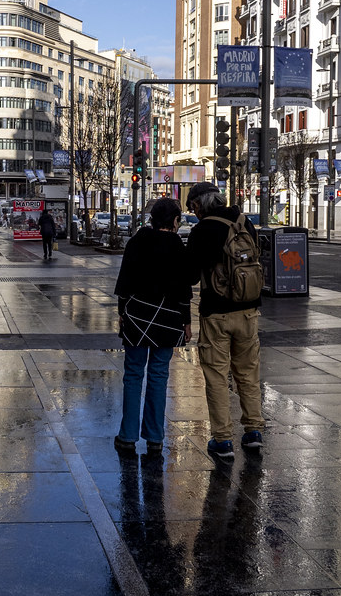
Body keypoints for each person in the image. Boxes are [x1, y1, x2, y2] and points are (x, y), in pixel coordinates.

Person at [184, 182, 264, 459]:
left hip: (216, 313)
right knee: (247, 373)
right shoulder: (245, 223)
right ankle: (253, 431)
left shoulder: (203, 230)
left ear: (198, 205)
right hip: (249, 311)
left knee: (217, 376)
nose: (192, 212)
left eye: (192, 207)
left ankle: (223, 439)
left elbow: (190, 275)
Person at [113, 197, 192, 455]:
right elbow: (184, 290)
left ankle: (127, 435)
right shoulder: (177, 247)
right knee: (159, 376)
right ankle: (155, 437)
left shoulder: (137, 241)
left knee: (133, 374)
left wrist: (122, 312)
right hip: (168, 320)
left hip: (137, 317)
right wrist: (186, 321)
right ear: (174, 221)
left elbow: (124, 281)